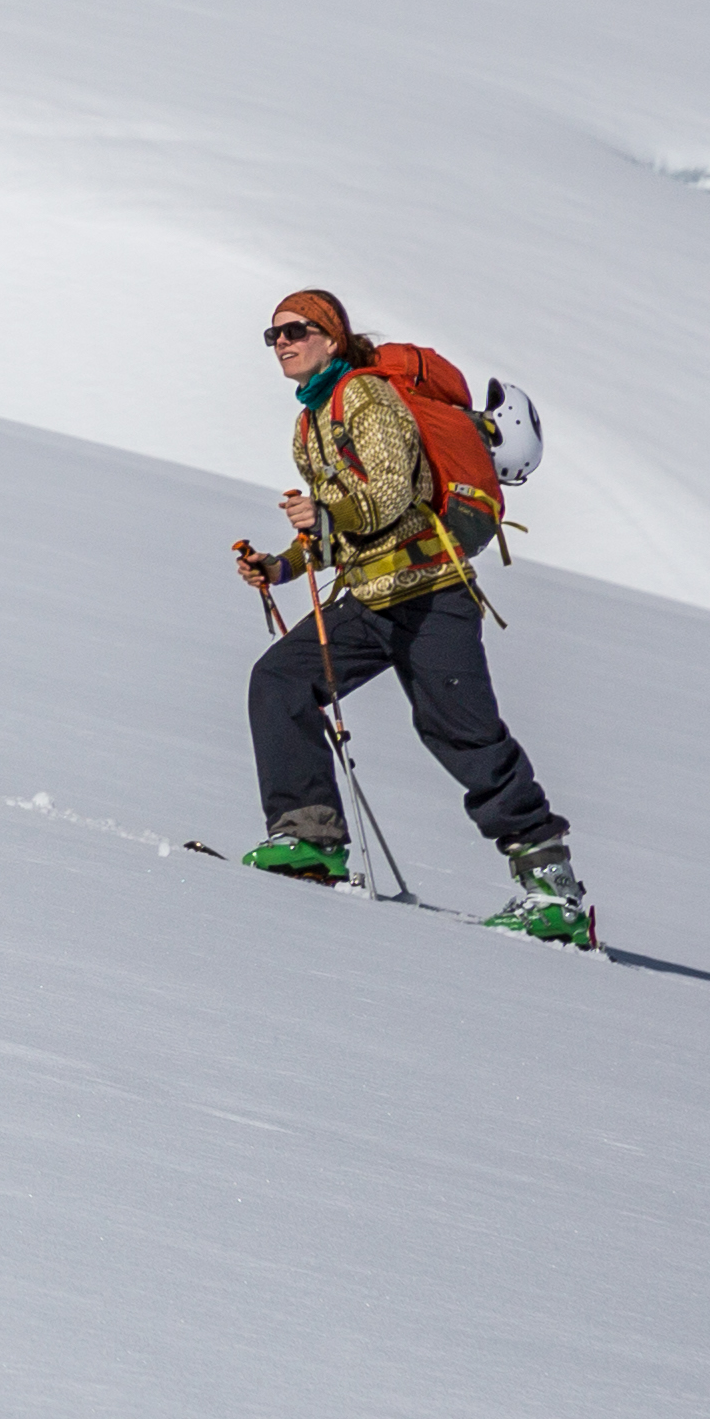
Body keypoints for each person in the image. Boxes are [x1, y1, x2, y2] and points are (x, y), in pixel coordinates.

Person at [232, 289, 588, 939]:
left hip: (430, 594)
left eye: (296, 330)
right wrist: (281, 566)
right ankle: (308, 838)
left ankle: (554, 890)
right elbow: (347, 525)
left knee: (462, 733)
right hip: (371, 596)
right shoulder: (312, 420)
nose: (282, 342)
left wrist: (327, 514)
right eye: (273, 335)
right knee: (280, 680)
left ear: (331, 337)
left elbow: (394, 493)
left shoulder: (364, 397)